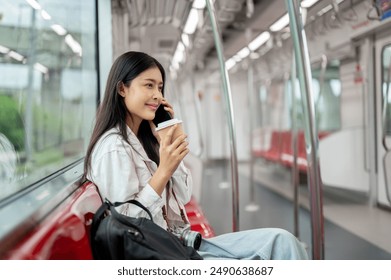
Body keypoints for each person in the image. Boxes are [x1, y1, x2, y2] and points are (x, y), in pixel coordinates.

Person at [83, 51, 308, 260]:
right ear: (122, 89)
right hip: (159, 254)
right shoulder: (113, 148)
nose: (157, 96)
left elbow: (183, 194)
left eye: (160, 88)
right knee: (281, 250)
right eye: (148, 86)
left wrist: (169, 136)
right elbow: (129, 224)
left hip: (179, 242)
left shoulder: (146, 139)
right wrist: (163, 172)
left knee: (282, 240)